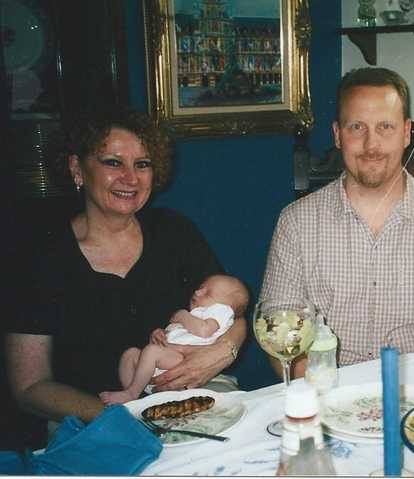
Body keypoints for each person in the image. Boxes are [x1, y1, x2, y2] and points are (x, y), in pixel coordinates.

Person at [5, 110, 247, 426]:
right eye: (113, 162)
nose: (130, 178)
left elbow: (235, 313)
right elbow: (30, 386)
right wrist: (125, 419)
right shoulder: (39, 257)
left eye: (142, 164)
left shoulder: (174, 232)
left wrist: (223, 352)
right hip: (94, 419)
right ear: (77, 168)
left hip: (194, 394)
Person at [260, 67, 414, 378]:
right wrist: (326, 398)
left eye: (385, 127)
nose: (371, 145)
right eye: (357, 127)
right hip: (329, 394)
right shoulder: (296, 223)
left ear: (406, 132)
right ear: (337, 134)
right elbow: (281, 336)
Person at [100, 274, 248, 404]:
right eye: (201, 287)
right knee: (131, 353)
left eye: (207, 293)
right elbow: (174, 334)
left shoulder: (220, 312)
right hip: (163, 363)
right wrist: (160, 334)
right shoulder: (197, 314)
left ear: (226, 305)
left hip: (184, 361)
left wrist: (182, 315)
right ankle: (136, 399)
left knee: (151, 352)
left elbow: (203, 331)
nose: (197, 291)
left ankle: (131, 393)